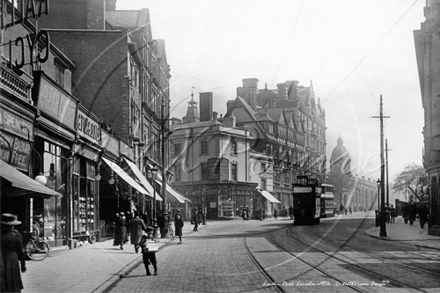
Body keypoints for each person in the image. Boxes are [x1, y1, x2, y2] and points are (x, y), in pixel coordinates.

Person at [1, 213, 26, 293]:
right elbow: (21, 252)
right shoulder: (16, 236)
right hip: (13, 259)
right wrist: (23, 265)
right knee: (13, 278)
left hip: (2, 259)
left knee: (3, 276)